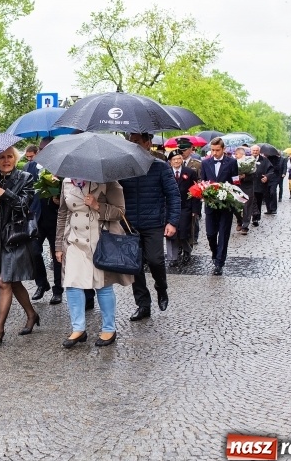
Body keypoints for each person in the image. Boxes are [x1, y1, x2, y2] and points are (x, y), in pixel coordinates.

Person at [55, 178, 132, 348]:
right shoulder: (67, 182)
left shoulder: (109, 182)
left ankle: (109, 329)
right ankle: (78, 328)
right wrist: (59, 245)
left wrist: (97, 205)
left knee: (102, 285)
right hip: (74, 241)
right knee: (72, 284)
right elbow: (63, 214)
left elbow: (120, 212)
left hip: (100, 241)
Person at [0, 146, 40, 349]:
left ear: (15, 158)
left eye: (9, 157)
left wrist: (2, 193)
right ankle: (32, 314)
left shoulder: (26, 177)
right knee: (13, 282)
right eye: (1, 157)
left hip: (16, 236)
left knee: (4, 282)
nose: (6, 160)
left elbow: (24, 205)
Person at [120, 133, 180, 321]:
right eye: (130, 141)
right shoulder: (123, 168)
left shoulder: (160, 167)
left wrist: (172, 221)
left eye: (137, 142)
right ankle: (143, 304)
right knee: (134, 266)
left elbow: (173, 195)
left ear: (148, 144)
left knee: (155, 260)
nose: (133, 145)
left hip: (153, 223)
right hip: (129, 224)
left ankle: (161, 288)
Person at [25, 137, 63, 304]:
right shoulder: (30, 167)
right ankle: (42, 283)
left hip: (55, 218)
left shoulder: (61, 167)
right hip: (36, 217)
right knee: (33, 252)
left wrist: (58, 198)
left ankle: (58, 290)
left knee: (57, 256)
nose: (43, 152)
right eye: (41, 149)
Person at [200, 137, 239, 276]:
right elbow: (202, 181)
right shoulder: (205, 163)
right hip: (210, 205)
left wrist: (230, 191)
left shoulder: (232, 162)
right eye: (212, 150)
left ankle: (219, 263)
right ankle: (215, 253)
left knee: (223, 234)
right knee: (210, 234)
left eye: (217, 150)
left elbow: (236, 182)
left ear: (223, 149)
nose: (214, 153)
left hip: (226, 205)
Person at [165, 150, 200, 266]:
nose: (177, 161)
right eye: (174, 159)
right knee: (170, 233)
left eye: (179, 159)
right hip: (169, 208)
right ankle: (172, 258)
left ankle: (187, 251)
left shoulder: (189, 172)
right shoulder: (166, 172)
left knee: (183, 233)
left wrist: (195, 210)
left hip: (185, 207)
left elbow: (196, 192)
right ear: (170, 161)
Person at [250, 145, 274, 227]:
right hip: (249, 184)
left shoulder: (264, 160)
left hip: (259, 184)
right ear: (251, 151)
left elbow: (271, 170)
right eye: (253, 150)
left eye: (256, 150)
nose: (255, 152)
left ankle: (256, 218)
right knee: (250, 202)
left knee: (258, 201)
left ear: (259, 151)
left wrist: (267, 177)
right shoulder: (247, 159)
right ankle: (251, 216)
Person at [233, 147, 254, 236]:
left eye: (236, 154)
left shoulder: (250, 163)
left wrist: (245, 176)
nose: (235, 155)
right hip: (237, 187)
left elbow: (254, 176)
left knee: (246, 207)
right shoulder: (233, 162)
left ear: (241, 154)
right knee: (235, 207)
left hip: (247, 188)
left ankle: (245, 226)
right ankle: (239, 220)